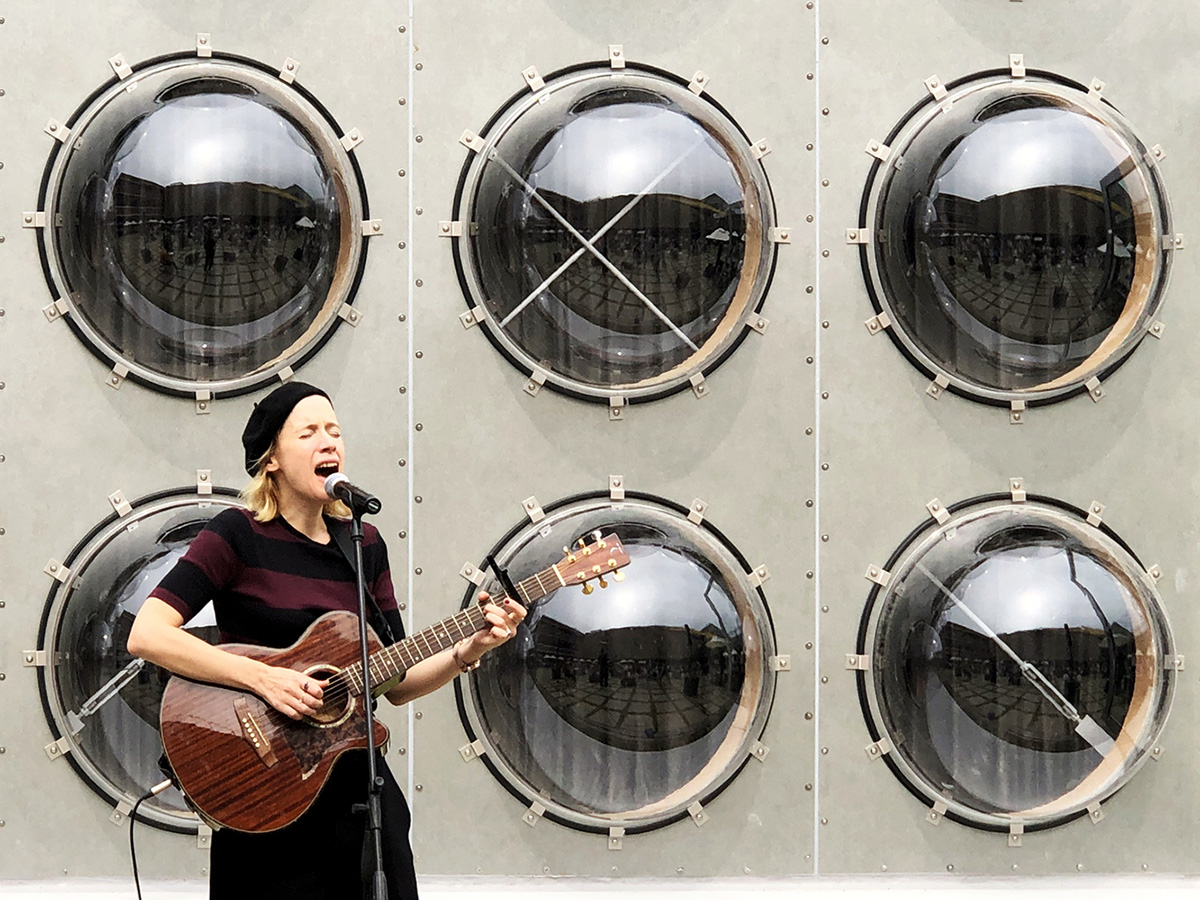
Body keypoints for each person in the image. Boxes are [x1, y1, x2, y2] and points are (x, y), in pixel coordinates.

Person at [127, 382, 524, 899]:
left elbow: (397, 681)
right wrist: (264, 679)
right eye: (309, 432)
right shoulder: (236, 535)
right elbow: (148, 634)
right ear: (271, 458)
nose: (329, 443)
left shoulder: (365, 544)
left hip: (358, 797)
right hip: (262, 786)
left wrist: (467, 650)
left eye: (335, 432)